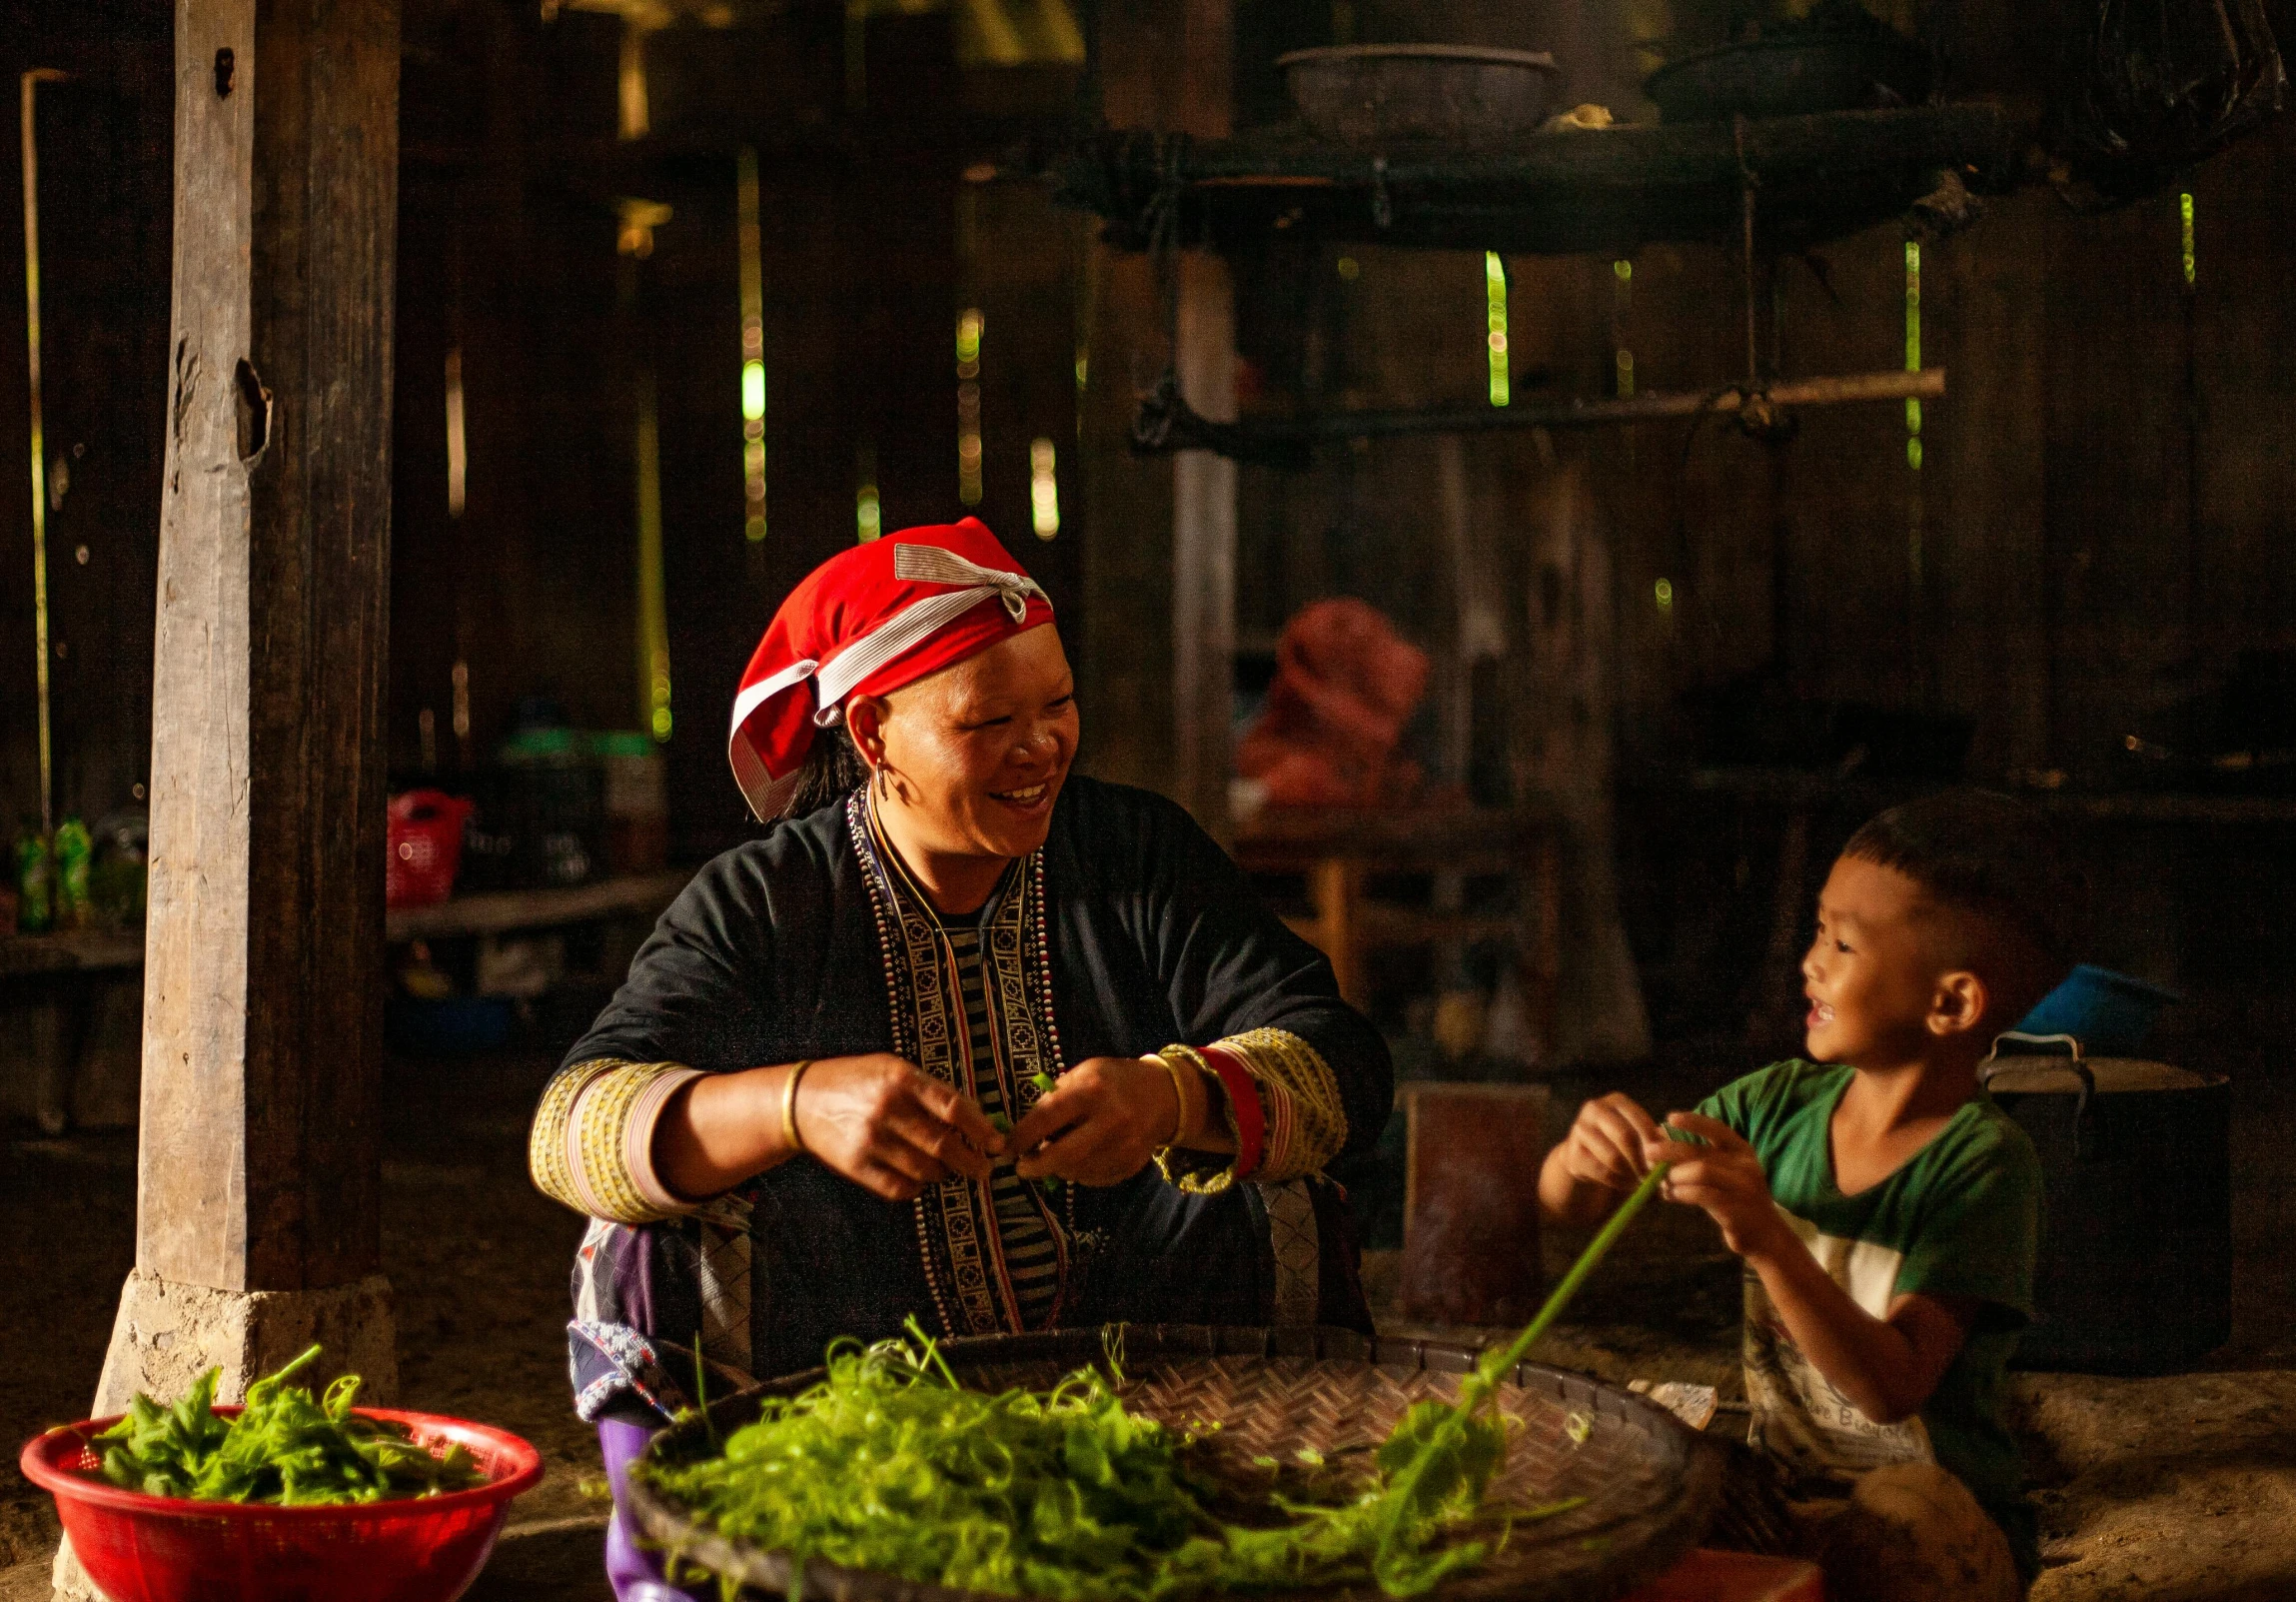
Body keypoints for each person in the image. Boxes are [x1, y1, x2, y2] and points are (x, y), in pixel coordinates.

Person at [530, 519, 1391, 1601]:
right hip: (856, 1401)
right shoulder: (766, 903)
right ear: (877, 731)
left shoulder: (1134, 855)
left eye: (1058, 705)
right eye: (991, 721)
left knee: (1284, 1181)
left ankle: (1278, 1539)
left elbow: (1343, 1062)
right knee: (639, 1234)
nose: (1042, 747)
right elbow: (570, 1126)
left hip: (1138, 1379)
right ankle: (691, 1569)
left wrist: (1174, 1097)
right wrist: (795, 1104)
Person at [1540, 792, 2068, 1601]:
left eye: (1844, 942)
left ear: (1951, 1002)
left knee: (1906, 1532)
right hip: (1784, 1489)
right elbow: (1570, 1210)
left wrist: (1768, 1236)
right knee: (1613, 1469)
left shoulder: (1985, 1165)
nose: (1810, 960)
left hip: (1935, 1515)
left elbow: (1891, 1388)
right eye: (1818, 928)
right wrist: (1583, 1160)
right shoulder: (1774, 1104)